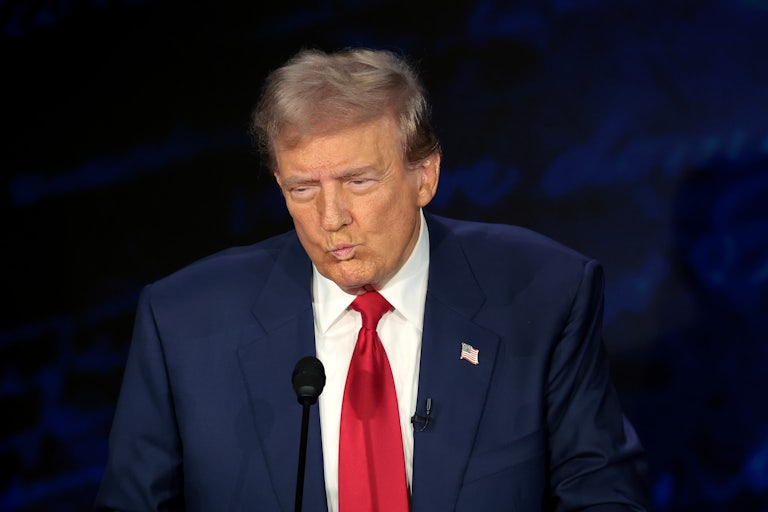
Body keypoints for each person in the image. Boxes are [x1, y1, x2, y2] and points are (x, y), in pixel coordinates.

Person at [95, 48, 648, 511]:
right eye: (302, 189)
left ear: (424, 175)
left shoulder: (545, 295)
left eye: (358, 181)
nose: (331, 217)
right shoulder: (183, 323)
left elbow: (602, 495)